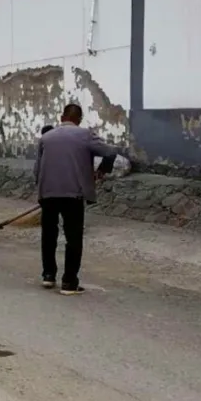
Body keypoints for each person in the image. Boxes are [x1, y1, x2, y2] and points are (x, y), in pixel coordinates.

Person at [32, 103, 119, 295]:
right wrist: (102, 170)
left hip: (48, 193)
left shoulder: (45, 138)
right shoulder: (85, 135)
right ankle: (69, 283)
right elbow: (111, 151)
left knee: (49, 235)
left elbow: (37, 170)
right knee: (73, 238)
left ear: (61, 117)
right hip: (74, 194)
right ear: (79, 119)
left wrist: (41, 192)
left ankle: (48, 275)